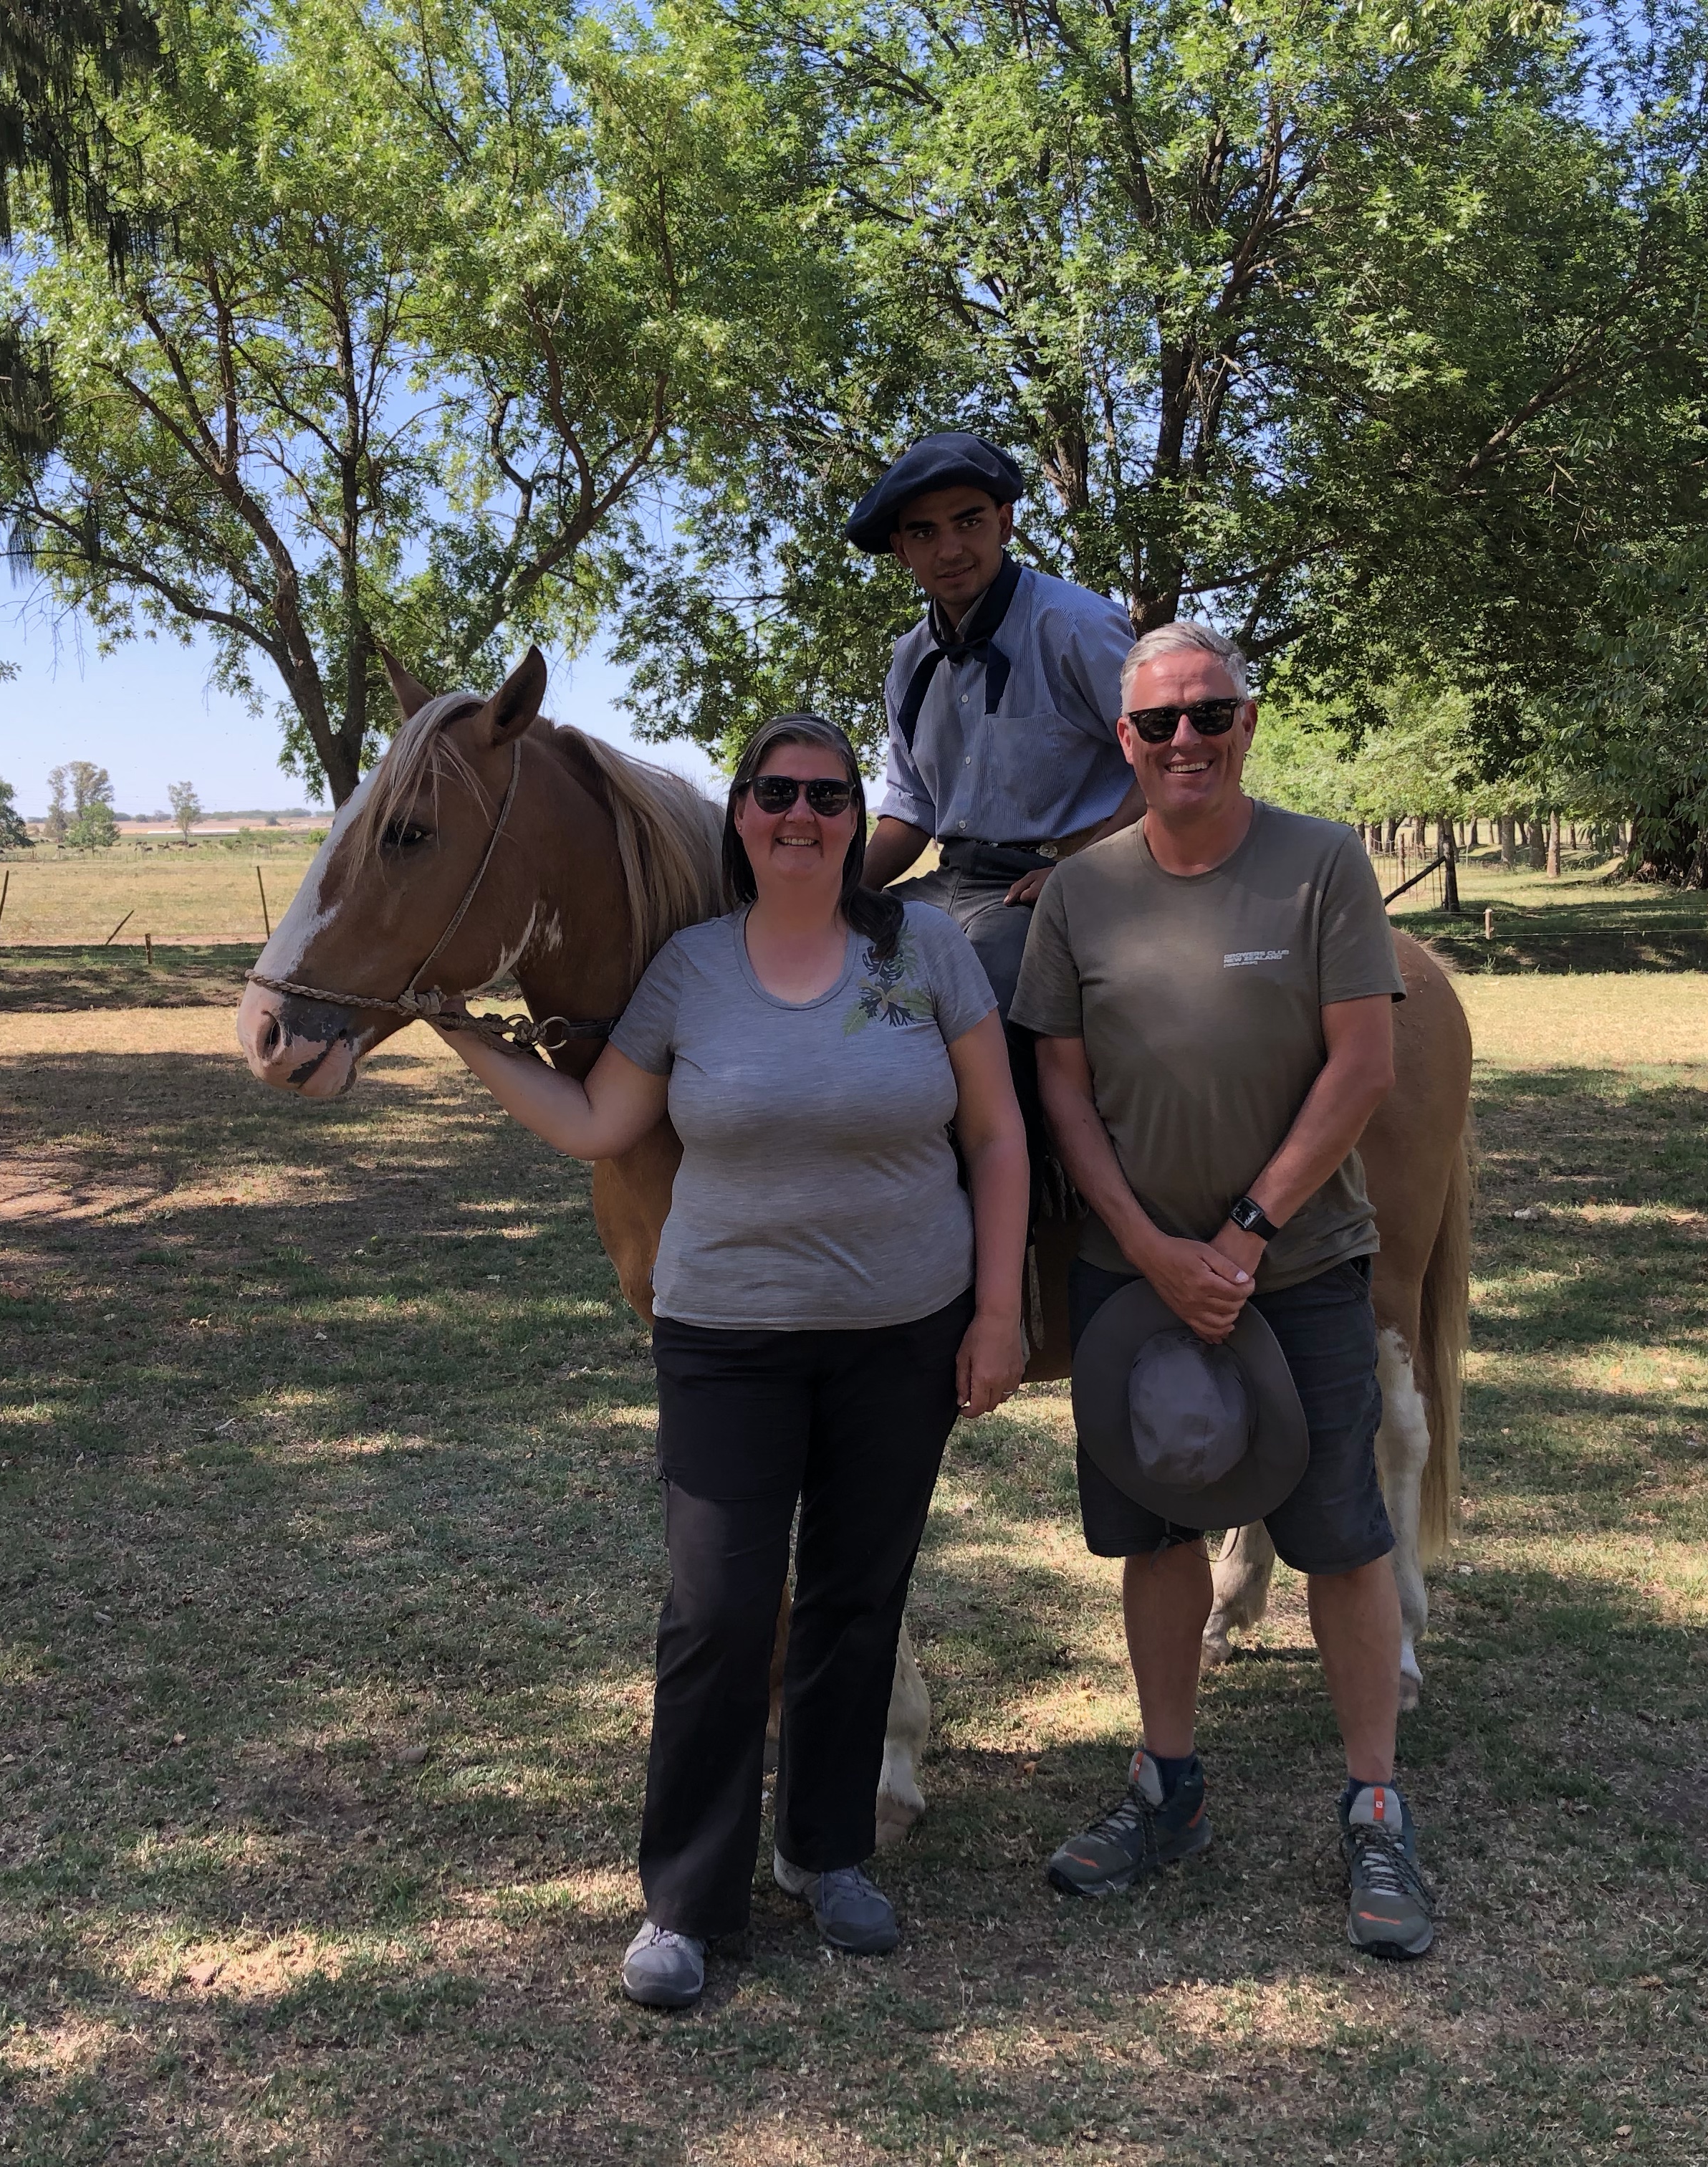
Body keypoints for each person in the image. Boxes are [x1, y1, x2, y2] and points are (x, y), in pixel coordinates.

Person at [434, 713, 1030, 2009]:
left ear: (854, 817)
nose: (801, 815)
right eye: (774, 793)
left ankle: (826, 1850)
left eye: (827, 794)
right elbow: (602, 1118)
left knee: (854, 1595)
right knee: (714, 1611)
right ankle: (686, 1903)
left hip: (900, 1329)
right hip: (727, 1338)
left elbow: (994, 1135)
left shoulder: (924, 948)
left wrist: (995, 1309)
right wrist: (463, 1035)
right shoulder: (691, 969)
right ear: (741, 815)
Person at [1009, 620, 1439, 1961]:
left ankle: (1374, 1801)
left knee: (1341, 1533)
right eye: (1156, 722)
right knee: (1155, 1530)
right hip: (1131, 1275)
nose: (1183, 739)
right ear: (1122, 740)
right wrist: (1145, 1245)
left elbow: (1362, 1065)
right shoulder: (1080, 891)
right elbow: (1061, 1087)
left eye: (1208, 713)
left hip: (1297, 1264)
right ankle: (1167, 1785)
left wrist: (1245, 1234)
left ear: (1247, 721)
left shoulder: (1319, 862)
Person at [844, 432, 1143, 1024]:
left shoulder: (1076, 626)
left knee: (985, 997)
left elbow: (1162, 763)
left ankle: (1012, 1120)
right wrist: (831, 899)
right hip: (951, 880)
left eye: (968, 521)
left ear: (1004, 524)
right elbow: (911, 812)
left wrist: (1079, 867)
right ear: (902, 550)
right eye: (925, 532)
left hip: (1068, 873)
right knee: (837, 968)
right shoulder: (908, 661)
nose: (950, 549)